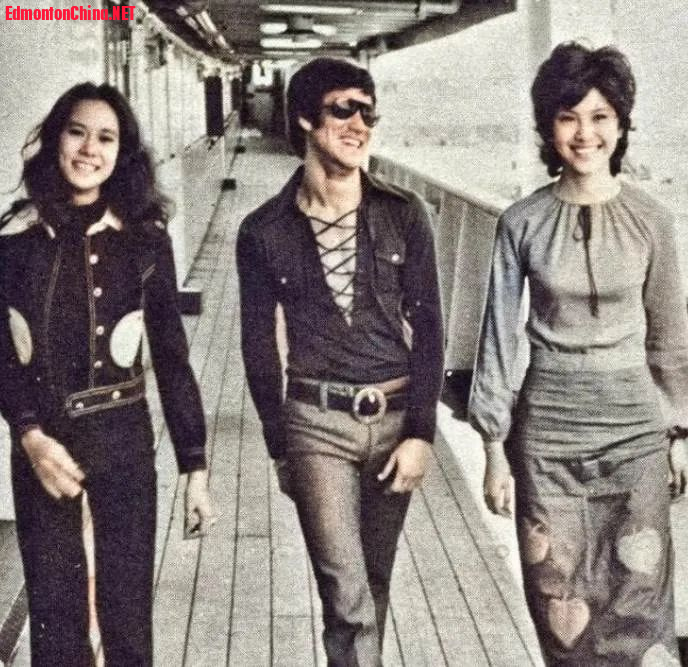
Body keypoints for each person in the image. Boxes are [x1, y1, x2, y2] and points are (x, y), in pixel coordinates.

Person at [468, 41, 688, 665]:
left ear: (621, 125)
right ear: (549, 127)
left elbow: (670, 336)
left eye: (600, 117)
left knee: (639, 596)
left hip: (634, 436)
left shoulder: (652, 220)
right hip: (547, 437)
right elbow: (499, 337)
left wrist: (678, 434)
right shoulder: (521, 222)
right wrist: (493, 448)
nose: (585, 133)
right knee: (555, 591)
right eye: (569, 118)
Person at [237, 57, 444, 665]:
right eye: (343, 109)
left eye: (368, 113)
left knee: (371, 585)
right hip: (316, 424)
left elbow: (431, 329)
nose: (360, 125)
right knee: (346, 595)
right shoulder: (263, 230)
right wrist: (279, 445)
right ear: (305, 117)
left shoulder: (405, 213)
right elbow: (257, 344)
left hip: (395, 417)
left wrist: (422, 433)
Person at [0, 82, 215, 665]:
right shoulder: (15, 239)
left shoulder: (144, 240)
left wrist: (194, 467)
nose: (89, 149)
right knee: (56, 625)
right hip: (44, 445)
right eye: (77, 133)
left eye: (106, 138)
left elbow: (171, 356)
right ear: (55, 140)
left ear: (123, 153)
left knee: (127, 620)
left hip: (123, 440)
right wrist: (30, 436)